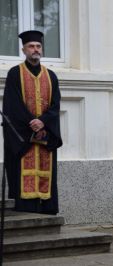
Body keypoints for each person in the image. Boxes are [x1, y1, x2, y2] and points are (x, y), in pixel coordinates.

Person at [2, 30, 63, 215]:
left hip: (45, 135)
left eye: (38, 46)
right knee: (22, 174)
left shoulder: (51, 76)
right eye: (31, 46)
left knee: (47, 175)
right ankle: (25, 211)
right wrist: (32, 123)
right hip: (23, 136)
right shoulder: (15, 74)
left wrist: (43, 122)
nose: (35, 49)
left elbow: (55, 104)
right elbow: (13, 105)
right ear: (24, 49)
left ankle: (46, 211)